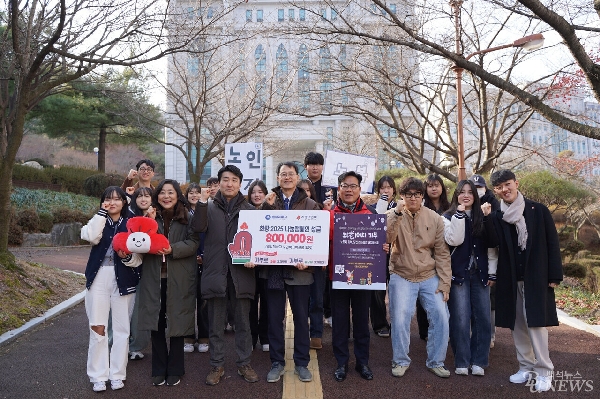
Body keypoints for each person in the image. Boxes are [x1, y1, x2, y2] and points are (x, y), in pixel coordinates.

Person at [489, 170, 563, 392]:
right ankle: (525, 367)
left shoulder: (537, 210)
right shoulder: (497, 215)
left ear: (516, 183)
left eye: (508, 184)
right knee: (518, 325)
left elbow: (552, 242)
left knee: (537, 325)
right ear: (495, 191)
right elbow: (491, 242)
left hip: (536, 277)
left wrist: (554, 275)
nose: (505, 189)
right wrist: (487, 218)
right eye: (500, 187)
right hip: (510, 279)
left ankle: (544, 370)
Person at [194, 165, 259, 386]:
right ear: (218, 183)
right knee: (215, 323)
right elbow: (197, 228)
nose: (229, 184)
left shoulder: (250, 210)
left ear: (240, 184)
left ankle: (244, 363)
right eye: (225, 179)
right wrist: (202, 202)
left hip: (242, 273)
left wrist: (255, 257)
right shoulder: (209, 207)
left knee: (243, 323)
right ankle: (216, 365)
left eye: (233, 180)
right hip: (216, 271)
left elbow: (258, 243)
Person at [259, 161, 320, 383]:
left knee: (302, 319)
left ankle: (302, 363)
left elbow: (317, 237)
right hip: (273, 271)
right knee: (275, 319)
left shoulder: (310, 204)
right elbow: (260, 233)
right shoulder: (269, 201)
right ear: (277, 178)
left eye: (291, 174)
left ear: (297, 177)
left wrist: (310, 261)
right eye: (283, 174)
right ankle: (277, 362)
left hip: (301, 272)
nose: (287, 177)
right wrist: (265, 208)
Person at [386, 177, 452, 378]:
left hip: (428, 274)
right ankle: (400, 360)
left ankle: (436, 361)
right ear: (402, 196)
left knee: (441, 316)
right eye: (408, 195)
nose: (412, 198)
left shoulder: (434, 218)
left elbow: (441, 252)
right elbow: (386, 239)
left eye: (416, 194)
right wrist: (397, 213)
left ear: (422, 196)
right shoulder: (393, 214)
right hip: (401, 273)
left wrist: (445, 282)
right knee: (400, 317)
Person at [137, 179, 200, 387]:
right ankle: (158, 368)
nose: (166, 196)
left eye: (171, 192)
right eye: (162, 192)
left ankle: (175, 368)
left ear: (177, 195)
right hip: (153, 278)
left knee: (177, 322)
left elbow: (194, 242)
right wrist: (149, 223)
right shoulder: (148, 216)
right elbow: (139, 243)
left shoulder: (187, 217)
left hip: (178, 277)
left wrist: (173, 249)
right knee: (156, 322)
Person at [81, 186, 142, 392]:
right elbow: (90, 236)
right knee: (97, 327)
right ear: (103, 202)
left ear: (124, 202)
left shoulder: (131, 223)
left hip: (124, 278)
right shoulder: (99, 220)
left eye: (117, 199)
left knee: (122, 329)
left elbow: (139, 257)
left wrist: (127, 257)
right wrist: (101, 214)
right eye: (108, 199)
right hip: (98, 277)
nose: (113, 202)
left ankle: (117, 374)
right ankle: (98, 375)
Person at [329, 171, 388, 382]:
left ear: (359, 189)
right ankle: (341, 362)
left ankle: (362, 362)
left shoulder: (371, 214)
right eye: (345, 185)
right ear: (339, 188)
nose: (349, 189)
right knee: (340, 322)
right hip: (337, 277)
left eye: (353, 186)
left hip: (364, 276)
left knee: (362, 321)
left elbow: (380, 243)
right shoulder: (329, 214)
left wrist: (383, 246)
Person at [443, 180, 498, 377]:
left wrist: (492, 272)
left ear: (475, 196)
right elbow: (454, 240)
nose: (466, 195)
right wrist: (459, 213)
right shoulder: (447, 217)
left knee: (483, 318)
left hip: (480, 273)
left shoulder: (482, 215)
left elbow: (492, 244)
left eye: (470, 192)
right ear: (455, 195)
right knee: (460, 318)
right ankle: (462, 360)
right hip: (458, 274)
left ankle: (479, 361)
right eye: (462, 192)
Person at [304, 152, 336, 346]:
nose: (315, 168)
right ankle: (307, 322)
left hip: (324, 243)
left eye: (318, 164)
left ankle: (323, 320)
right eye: (311, 164)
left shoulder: (330, 187)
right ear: (305, 166)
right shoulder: (300, 186)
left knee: (323, 286)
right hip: (302, 244)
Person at [468, 174, 500, 349]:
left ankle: (490, 335)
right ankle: (474, 333)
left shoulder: (493, 206)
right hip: (472, 263)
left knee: (490, 302)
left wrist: (493, 273)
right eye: (475, 187)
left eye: (480, 187)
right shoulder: (467, 206)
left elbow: (493, 243)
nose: (477, 190)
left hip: (489, 263)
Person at [418, 174, 451, 340]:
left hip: (446, 254)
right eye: (430, 185)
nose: (433, 188)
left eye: (437, 185)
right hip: (425, 257)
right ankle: (424, 331)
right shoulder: (422, 207)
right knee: (423, 295)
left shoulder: (450, 206)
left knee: (441, 293)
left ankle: (442, 330)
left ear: (442, 188)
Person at [126, 187, 154, 361]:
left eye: (147, 196)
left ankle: (136, 345)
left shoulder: (158, 216)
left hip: (149, 268)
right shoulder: (129, 218)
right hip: (129, 267)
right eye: (140, 196)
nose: (143, 199)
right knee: (124, 309)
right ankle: (120, 344)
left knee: (140, 310)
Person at [369, 175, 397, 338]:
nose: (386, 190)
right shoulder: (373, 208)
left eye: (389, 187)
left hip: (397, 254)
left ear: (394, 189)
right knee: (377, 291)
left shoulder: (402, 207)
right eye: (382, 188)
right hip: (378, 254)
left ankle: (396, 323)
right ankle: (379, 324)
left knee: (396, 291)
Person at [183, 183, 210, 354]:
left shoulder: (208, 210)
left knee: (204, 301)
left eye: (197, 193)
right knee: (186, 301)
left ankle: (204, 337)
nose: (194, 195)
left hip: (205, 260)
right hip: (187, 261)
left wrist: (205, 256)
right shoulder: (182, 213)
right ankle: (187, 337)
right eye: (191, 193)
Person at [247, 180, 270, 352]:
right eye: (254, 192)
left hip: (268, 267)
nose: (257, 195)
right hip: (248, 268)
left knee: (268, 304)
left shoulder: (272, 211)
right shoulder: (244, 212)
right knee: (250, 305)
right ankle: (252, 337)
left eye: (260, 192)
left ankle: (265, 336)